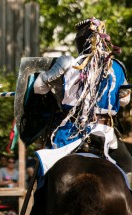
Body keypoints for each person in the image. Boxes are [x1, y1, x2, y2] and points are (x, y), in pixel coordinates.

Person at [33, 17, 132, 180]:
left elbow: (38, 88)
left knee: (44, 175)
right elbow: (124, 101)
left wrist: (49, 77)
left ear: (80, 41)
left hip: (70, 132)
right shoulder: (116, 67)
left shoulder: (68, 63)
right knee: (128, 169)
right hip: (105, 132)